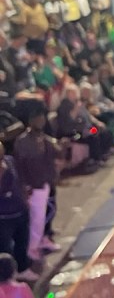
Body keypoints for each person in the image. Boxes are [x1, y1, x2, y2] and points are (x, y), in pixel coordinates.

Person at [13, 100, 59, 259]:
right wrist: (25, 187)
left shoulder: (44, 138)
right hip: (34, 186)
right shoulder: (22, 142)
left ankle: (44, 240)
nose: (41, 121)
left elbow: (56, 153)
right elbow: (20, 167)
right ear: (31, 121)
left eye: (42, 118)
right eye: (38, 119)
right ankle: (32, 248)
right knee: (36, 219)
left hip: (47, 181)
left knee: (48, 213)